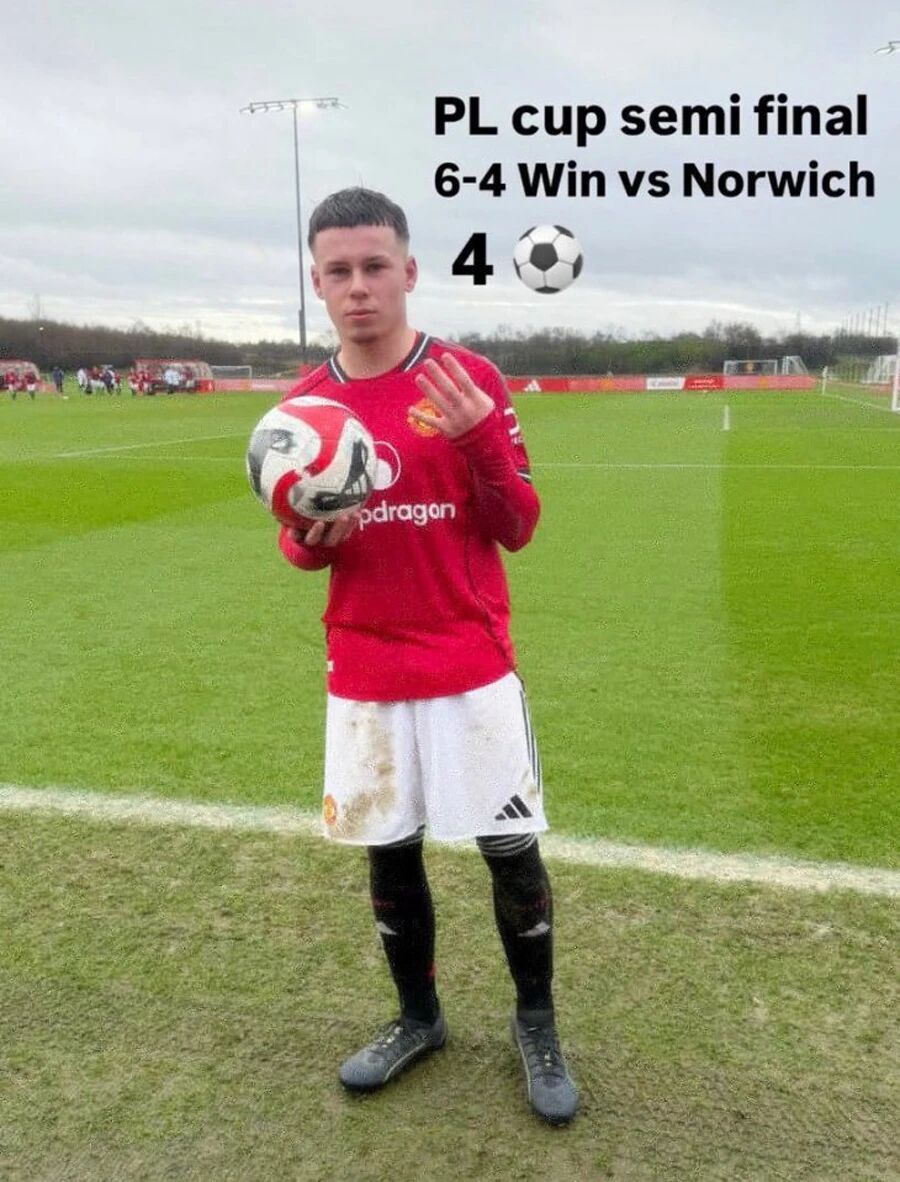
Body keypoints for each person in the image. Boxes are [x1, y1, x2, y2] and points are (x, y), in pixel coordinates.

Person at [273, 187, 578, 1125]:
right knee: (389, 852)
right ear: (317, 283)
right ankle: (418, 1019)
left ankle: (536, 1023)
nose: (358, 287)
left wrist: (479, 434)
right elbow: (296, 543)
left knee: (509, 852)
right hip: (365, 669)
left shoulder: (466, 379)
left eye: (375, 267)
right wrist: (310, 538)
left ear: (408, 271)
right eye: (338, 271)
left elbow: (517, 524)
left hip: (467, 662)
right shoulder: (303, 409)